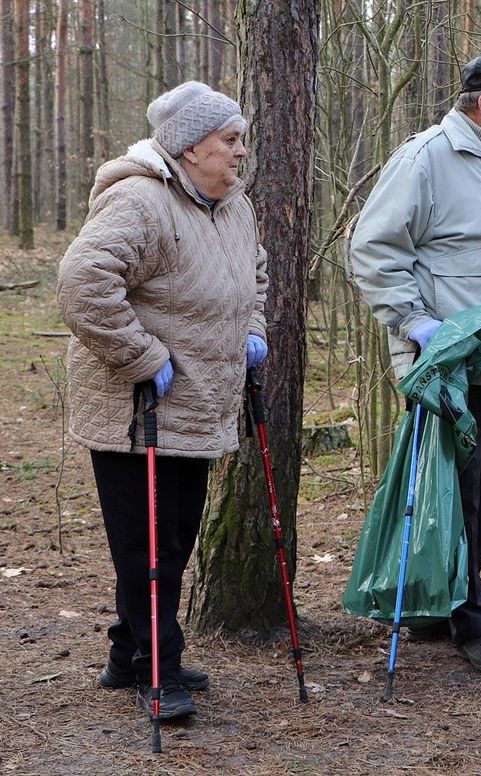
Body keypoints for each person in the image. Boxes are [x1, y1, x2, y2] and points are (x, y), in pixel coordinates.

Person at [57, 81, 268, 721]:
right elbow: (82, 283)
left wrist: (253, 331)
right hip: (136, 409)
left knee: (173, 536)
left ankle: (128, 651)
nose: (239, 153)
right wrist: (143, 357)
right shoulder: (140, 202)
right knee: (147, 548)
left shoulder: (231, 205)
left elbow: (255, 273)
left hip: (202, 403)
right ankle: (158, 666)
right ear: (190, 146)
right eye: (229, 141)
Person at [349, 54, 481, 674]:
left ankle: (442, 604)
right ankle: (474, 620)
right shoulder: (427, 158)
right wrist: (415, 324)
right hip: (447, 365)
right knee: (457, 494)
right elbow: (373, 247)